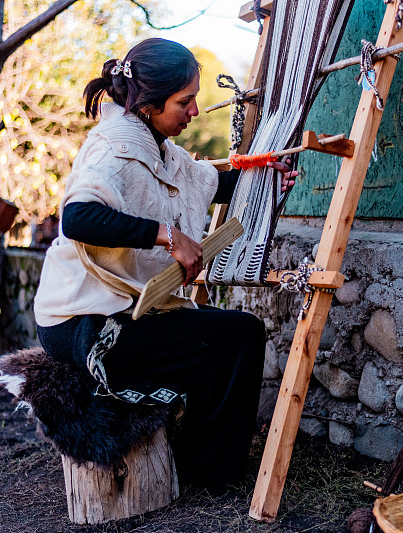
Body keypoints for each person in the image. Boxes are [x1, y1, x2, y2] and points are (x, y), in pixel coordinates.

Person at [33, 38, 297, 490]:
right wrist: (170, 236)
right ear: (149, 104)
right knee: (237, 336)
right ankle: (208, 473)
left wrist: (265, 177)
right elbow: (77, 217)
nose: (194, 111)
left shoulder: (156, 148)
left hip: (116, 311)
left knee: (230, 334)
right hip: (83, 323)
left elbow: (201, 184)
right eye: (185, 101)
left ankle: (199, 465)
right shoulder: (114, 149)